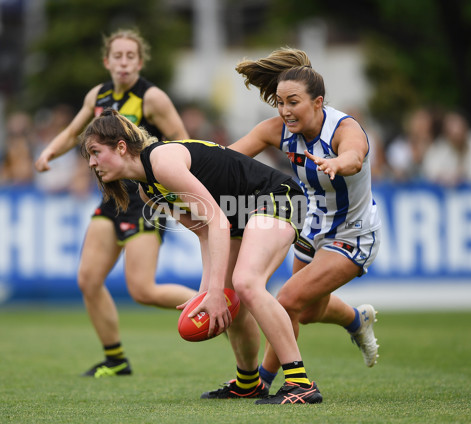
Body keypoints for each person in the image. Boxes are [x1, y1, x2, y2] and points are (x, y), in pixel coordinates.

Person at [81, 108, 323, 404]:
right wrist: (208, 291)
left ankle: (301, 384)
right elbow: (205, 232)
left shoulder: (162, 162)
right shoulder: (148, 192)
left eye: (95, 152)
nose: (91, 163)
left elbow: (217, 221)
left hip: (278, 196)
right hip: (239, 214)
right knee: (232, 298)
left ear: (121, 147)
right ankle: (248, 383)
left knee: (246, 283)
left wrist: (216, 290)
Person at [34, 28, 196, 378]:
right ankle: (116, 360)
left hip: (145, 199)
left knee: (143, 290)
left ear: (140, 62)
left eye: (130, 57)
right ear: (107, 61)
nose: (124, 63)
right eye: (117, 57)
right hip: (112, 197)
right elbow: (76, 131)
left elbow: (186, 144)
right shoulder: (98, 96)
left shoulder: (153, 98)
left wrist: (176, 190)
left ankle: (215, 307)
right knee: (88, 279)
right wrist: (50, 152)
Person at [228, 47, 382, 391]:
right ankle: (357, 319)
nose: (285, 111)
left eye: (293, 102)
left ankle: (263, 382)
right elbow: (228, 158)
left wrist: (337, 164)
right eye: (281, 103)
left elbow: (355, 157)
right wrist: (181, 161)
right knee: (306, 311)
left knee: (287, 300)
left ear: (318, 102)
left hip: (354, 234)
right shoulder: (278, 129)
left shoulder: (343, 127)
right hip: (312, 229)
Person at [422, 110, 471, 187]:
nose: (456, 132)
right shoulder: (439, 146)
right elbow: (429, 173)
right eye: (451, 128)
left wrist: (456, 177)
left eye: (459, 127)